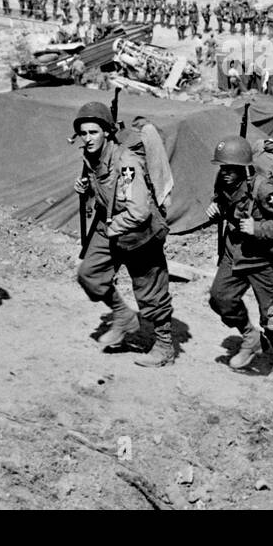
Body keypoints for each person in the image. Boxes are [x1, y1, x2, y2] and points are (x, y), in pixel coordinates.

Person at [72, 101, 176, 367]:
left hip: (139, 232)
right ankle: (123, 315)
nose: (87, 138)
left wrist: (112, 228)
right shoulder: (93, 158)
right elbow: (109, 194)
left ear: (107, 132)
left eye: (93, 132)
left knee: (150, 293)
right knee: (89, 274)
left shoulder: (126, 162)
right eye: (83, 133)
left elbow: (139, 210)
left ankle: (164, 347)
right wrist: (88, 190)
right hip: (112, 225)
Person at [204, 136, 273, 384]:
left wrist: (258, 228)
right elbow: (224, 202)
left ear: (244, 167)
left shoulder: (263, 189)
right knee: (221, 298)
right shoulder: (223, 182)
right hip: (236, 251)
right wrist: (215, 209)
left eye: (231, 169)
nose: (226, 173)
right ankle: (250, 337)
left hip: (265, 259)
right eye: (223, 167)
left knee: (272, 317)